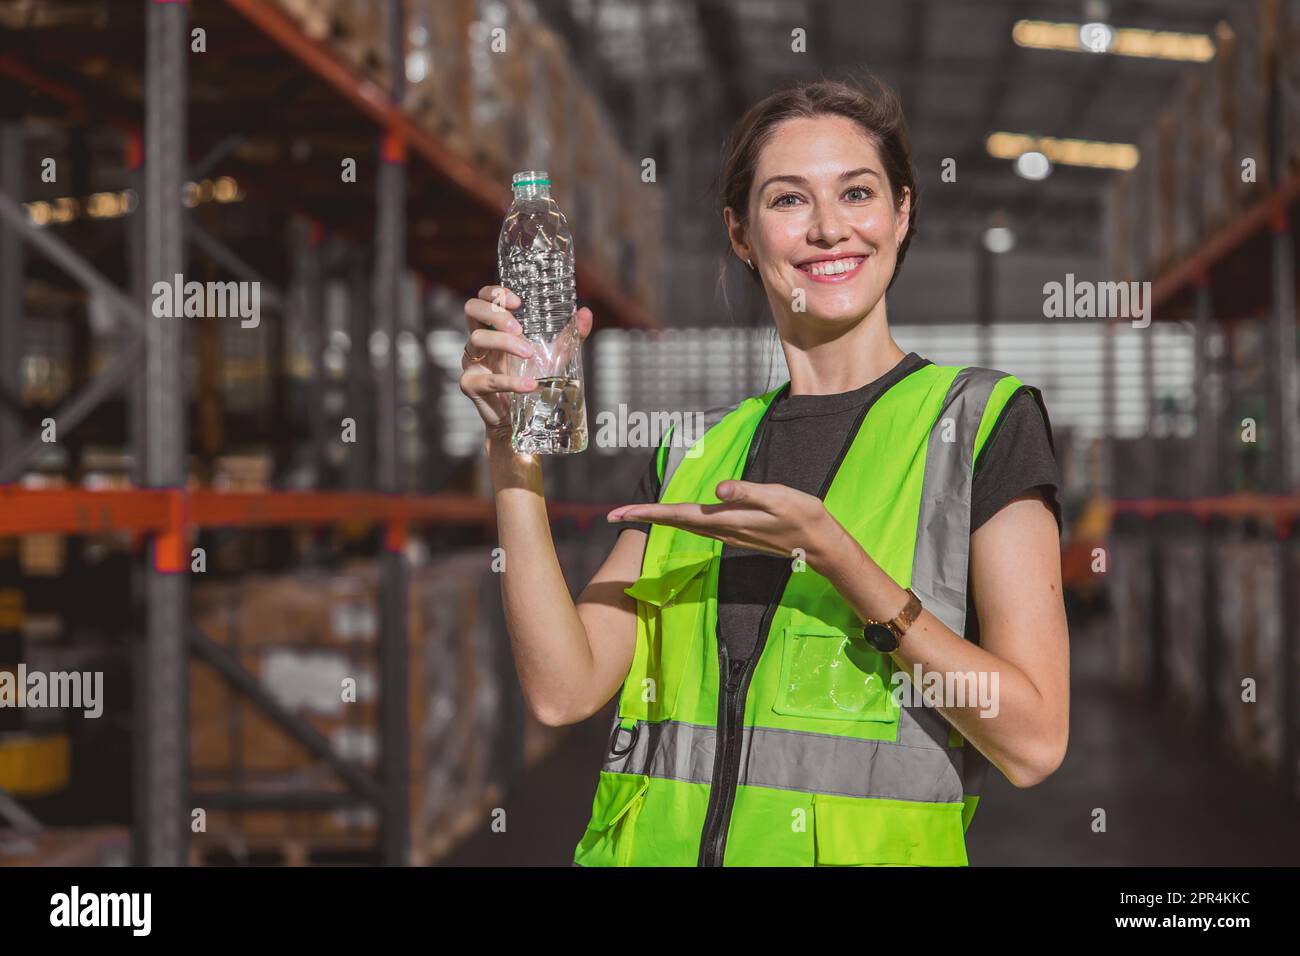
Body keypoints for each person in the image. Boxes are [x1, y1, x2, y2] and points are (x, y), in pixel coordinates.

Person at [458, 74, 1070, 867]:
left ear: (902, 212)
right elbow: (562, 688)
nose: (827, 229)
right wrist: (514, 458)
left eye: (857, 193)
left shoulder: (980, 424)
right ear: (741, 235)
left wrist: (845, 564)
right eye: (787, 200)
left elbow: (1034, 740)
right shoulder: (693, 454)